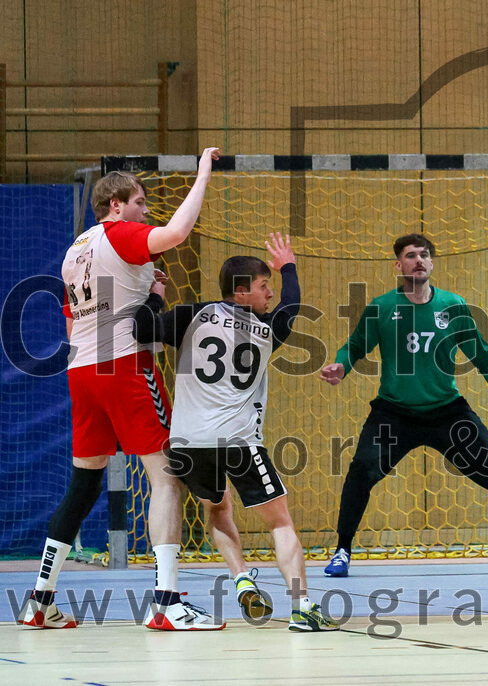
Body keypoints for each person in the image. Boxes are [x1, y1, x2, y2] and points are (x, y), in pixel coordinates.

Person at [18, 148, 223, 631]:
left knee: (84, 483)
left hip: (83, 372)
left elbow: (73, 322)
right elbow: (176, 234)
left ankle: (39, 601)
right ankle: (168, 602)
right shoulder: (120, 234)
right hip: (125, 365)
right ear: (115, 205)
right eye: (139, 201)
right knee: (166, 477)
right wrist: (203, 174)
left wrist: (148, 295)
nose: (145, 210)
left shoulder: (75, 251)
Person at [133, 232, 340, 631]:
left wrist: (155, 293)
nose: (271, 294)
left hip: (188, 443)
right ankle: (302, 607)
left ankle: (242, 577)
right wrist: (289, 266)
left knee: (218, 507)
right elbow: (291, 306)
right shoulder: (267, 329)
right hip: (239, 443)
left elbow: (142, 329)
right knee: (280, 522)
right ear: (242, 292)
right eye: (264, 286)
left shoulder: (191, 315)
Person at [319, 233, 488, 577]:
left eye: (424, 255)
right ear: (398, 264)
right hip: (393, 413)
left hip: (446, 413)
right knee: (360, 472)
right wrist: (340, 366)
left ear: (432, 264)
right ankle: (342, 551)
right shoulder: (382, 307)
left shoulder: (453, 306)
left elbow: (482, 356)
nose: (418, 260)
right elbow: (354, 346)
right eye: (410, 255)